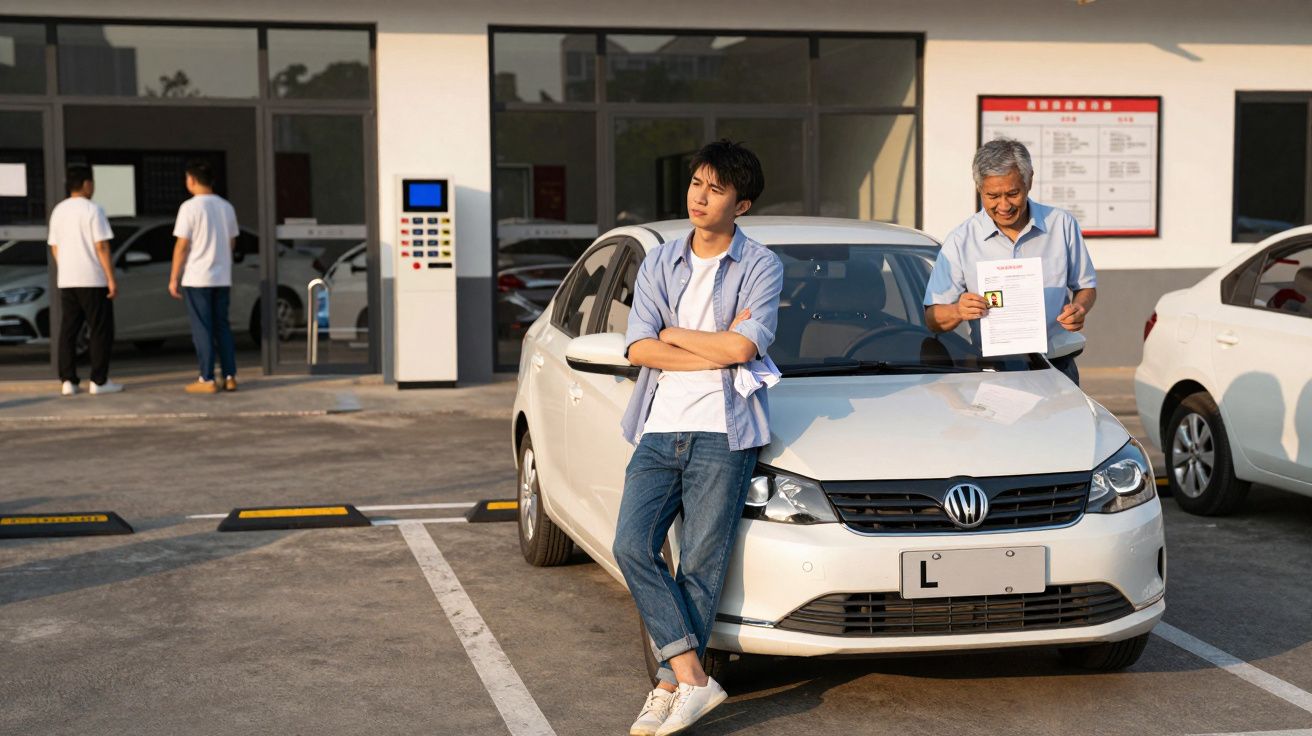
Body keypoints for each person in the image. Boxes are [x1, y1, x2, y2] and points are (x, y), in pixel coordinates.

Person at [613, 140, 783, 736]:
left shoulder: (760, 265)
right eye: (696, 184)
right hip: (660, 425)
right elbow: (638, 348)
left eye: (716, 189)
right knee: (631, 545)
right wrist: (714, 347)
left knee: (701, 566)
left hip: (724, 431)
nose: (700, 197)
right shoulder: (660, 262)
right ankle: (693, 676)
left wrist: (674, 334)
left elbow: (744, 347)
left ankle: (668, 689)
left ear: (742, 204)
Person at [923, 138, 1097, 384]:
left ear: (1029, 181)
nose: (1003, 205)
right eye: (992, 196)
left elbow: (1086, 287)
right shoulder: (961, 240)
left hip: (1056, 367)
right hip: (993, 372)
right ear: (979, 188)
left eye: (1013, 194)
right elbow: (933, 318)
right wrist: (958, 311)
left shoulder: (1061, 225)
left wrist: (1079, 308)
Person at [48, 165, 123, 396]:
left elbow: (54, 246)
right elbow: (101, 246)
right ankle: (99, 380)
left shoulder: (59, 210)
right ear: (87, 184)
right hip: (93, 279)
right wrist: (111, 278)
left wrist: (65, 267)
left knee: (69, 330)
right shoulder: (93, 210)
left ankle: (68, 381)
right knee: (100, 330)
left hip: (68, 279)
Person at [169, 160, 239, 394]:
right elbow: (231, 241)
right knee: (222, 327)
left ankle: (207, 378)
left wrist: (174, 276)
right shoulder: (226, 207)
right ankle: (229, 376)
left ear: (191, 180)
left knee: (202, 328)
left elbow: (182, 245)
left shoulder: (189, 208)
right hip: (222, 277)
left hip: (198, 277)